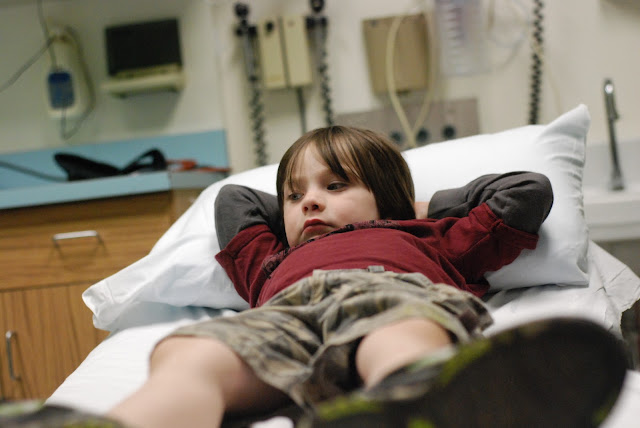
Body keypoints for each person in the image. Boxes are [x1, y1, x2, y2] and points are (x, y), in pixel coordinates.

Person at [102, 126, 625, 428]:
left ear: (389, 198)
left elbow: (526, 192)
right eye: (294, 195)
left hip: (388, 292)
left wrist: (411, 207)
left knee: (399, 332)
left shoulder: (430, 236)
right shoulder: (267, 260)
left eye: (335, 186)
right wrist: (309, 204)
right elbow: (233, 198)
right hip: (284, 314)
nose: (309, 201)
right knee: (191, 354)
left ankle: (409, 397)